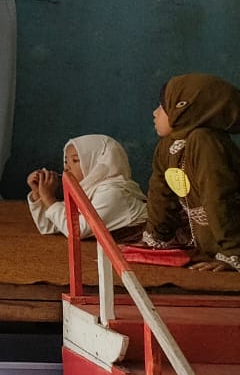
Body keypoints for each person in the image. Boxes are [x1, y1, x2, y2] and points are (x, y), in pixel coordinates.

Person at [141, 74, 240, 272]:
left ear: (183, 108)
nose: (155, 112)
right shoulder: (167, 147)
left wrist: (233, 254)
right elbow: (161, 197)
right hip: (210, 248)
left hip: (232, 244)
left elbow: (220, 198)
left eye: (163, 106)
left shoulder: (205, 142)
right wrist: (155, 240)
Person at [26, 135, 146, 240]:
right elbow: (50, 226)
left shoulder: (112, 193)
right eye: (66, 161)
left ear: (97, 163)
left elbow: (77, 231)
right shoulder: (89, 190)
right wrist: (38, 194)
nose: (67, 168)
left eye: (75, 160)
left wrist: (48, 198)